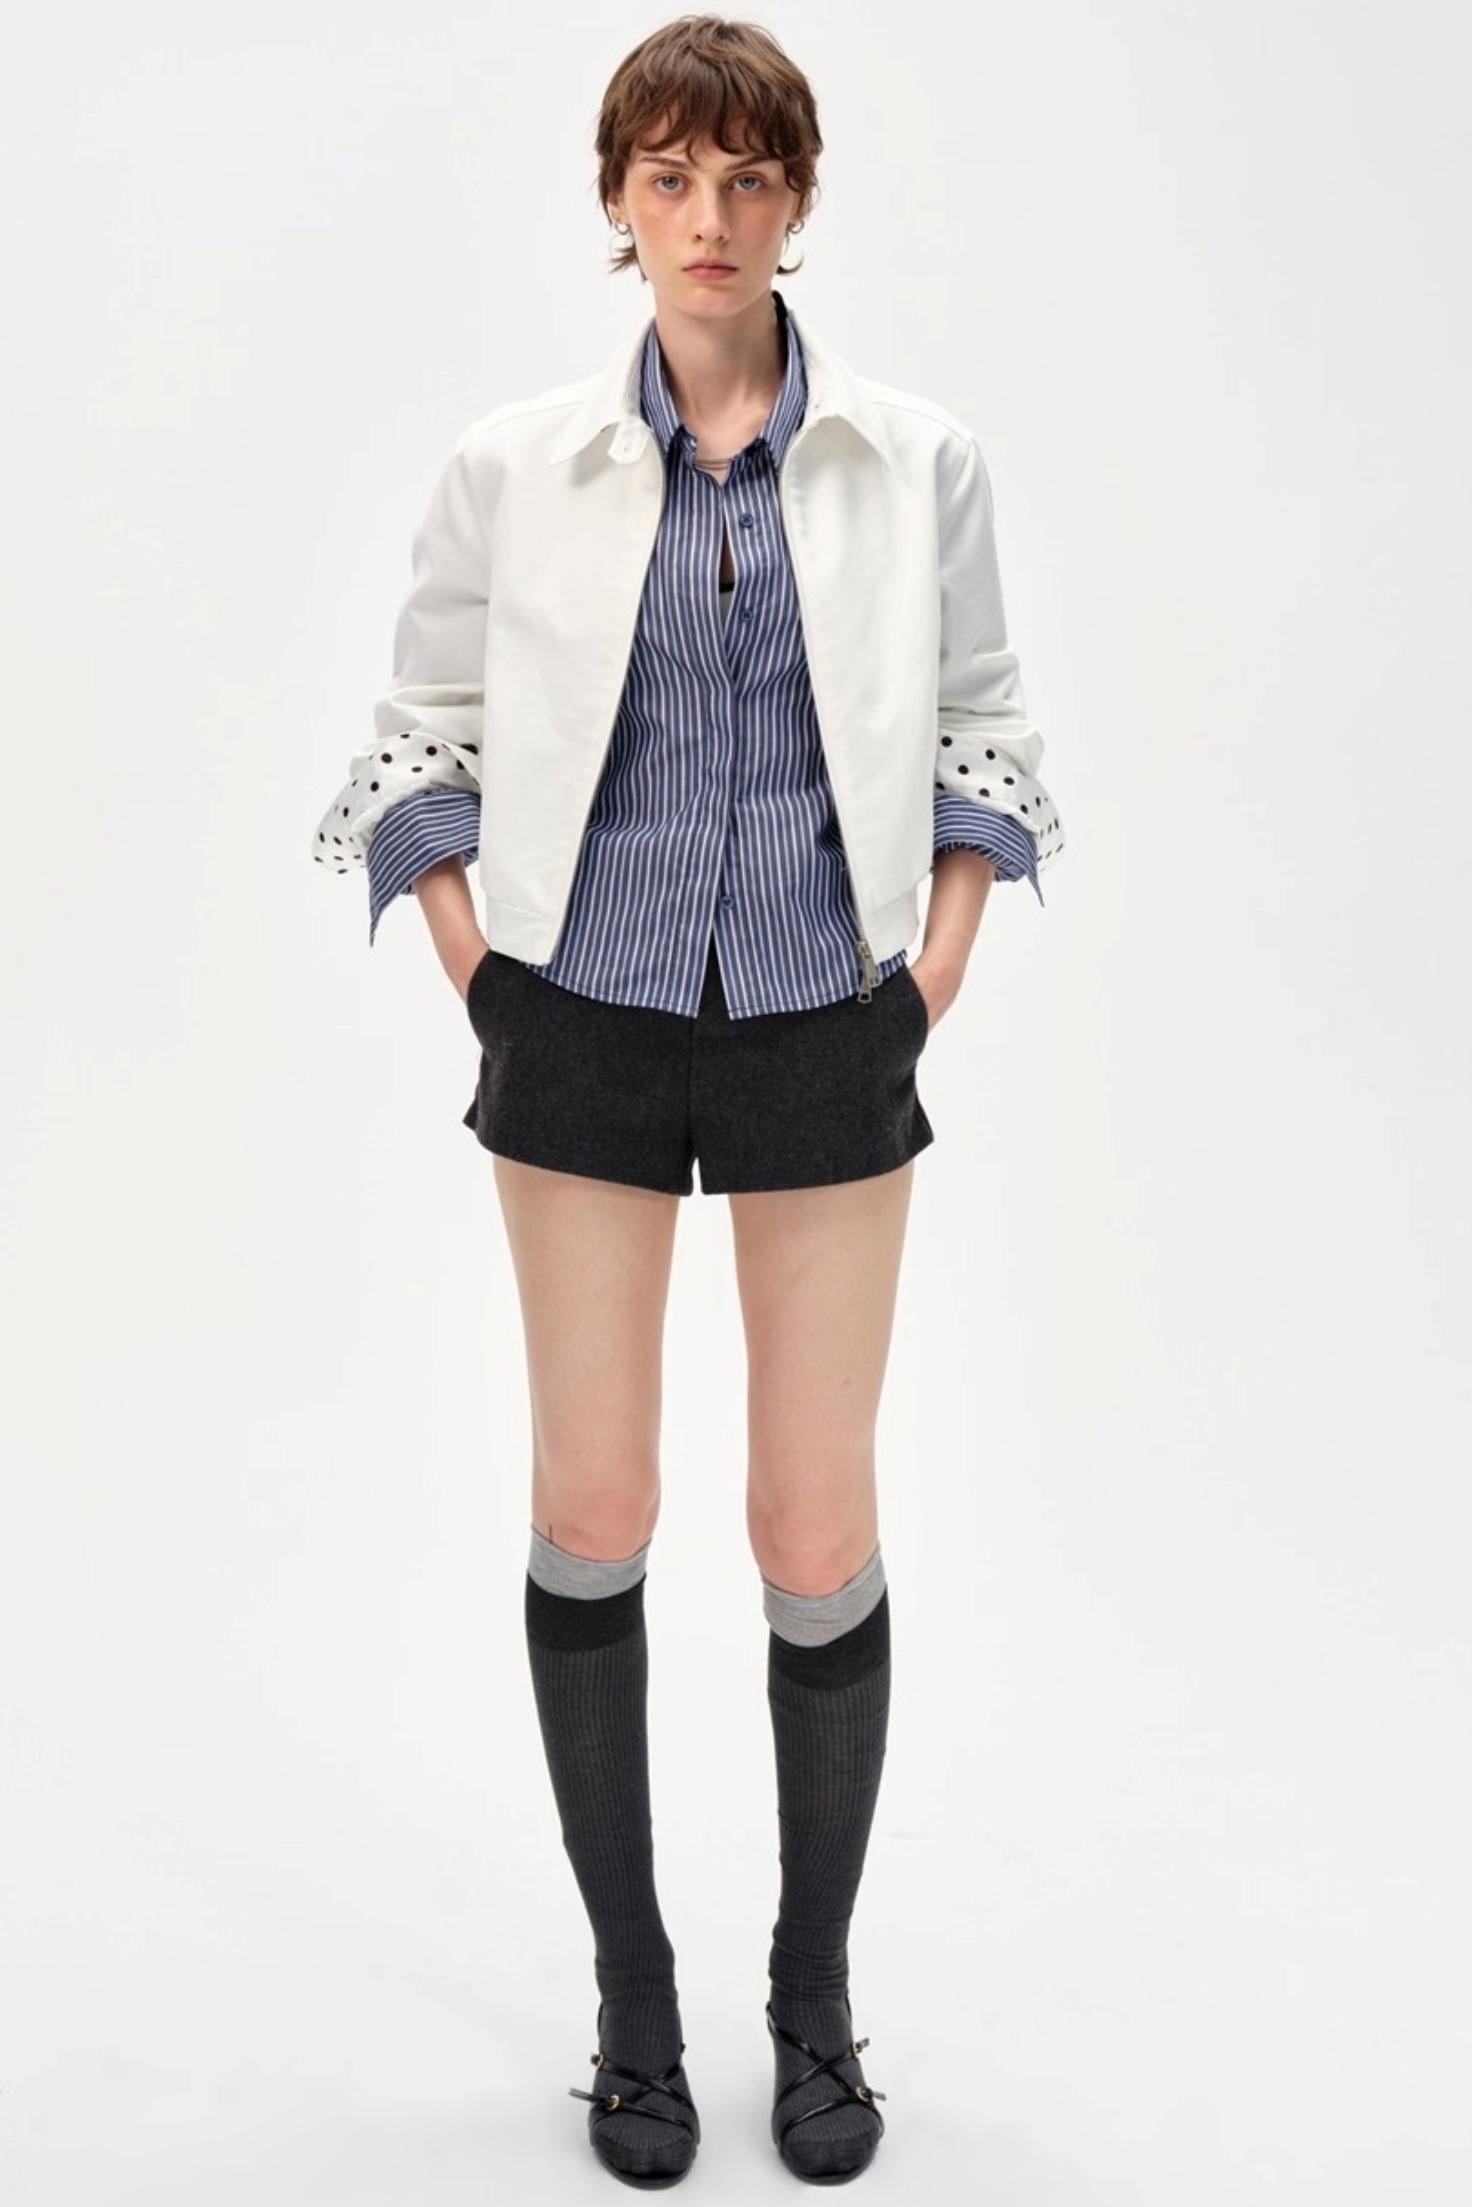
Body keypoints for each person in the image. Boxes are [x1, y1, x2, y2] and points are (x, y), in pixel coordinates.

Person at [310, 14, 1065, 2187]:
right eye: (669, 177)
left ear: (796, 200)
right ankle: (633, 1999)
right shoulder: (516, 466)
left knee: (812, 1525)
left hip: (830, 1015)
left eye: (748, 179)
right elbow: (421, 719)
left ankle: (810, 1993)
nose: (709, 218)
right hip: (582, 1017)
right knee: (597, 1504)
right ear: (617, 201)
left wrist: (932, 967)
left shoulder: (912, 462)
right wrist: (477, 963)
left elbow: (985, 722)